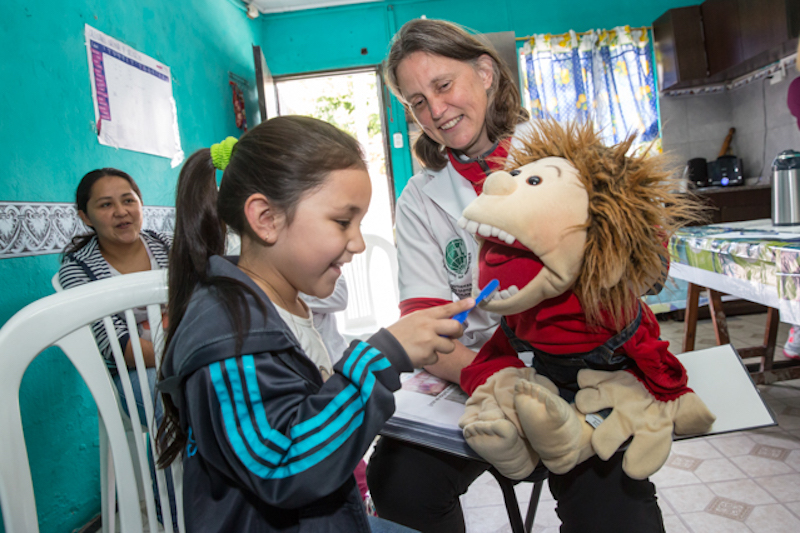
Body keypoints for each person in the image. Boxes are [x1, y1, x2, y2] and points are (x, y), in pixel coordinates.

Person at [367, 18, 666, 533]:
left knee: (613, 511)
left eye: (443, 85)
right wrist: (499, 381)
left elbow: (649, 263)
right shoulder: (421, 198)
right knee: (398, 483)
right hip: (483, 368)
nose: (435, 111)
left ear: (484, 72)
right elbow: (425, 326)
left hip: (580, 362)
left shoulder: (565, 153)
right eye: (416, 101)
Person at [155, 116, 474, 532]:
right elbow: (284, 464)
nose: (358, 243)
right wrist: (381, 358)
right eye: (343, 222)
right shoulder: (228, 337)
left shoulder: (280, 303)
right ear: (265, 219)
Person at [58, 168, 171, 425]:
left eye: (128, 200)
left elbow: (197, 308)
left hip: (185, 356)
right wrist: (183, 351)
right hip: (133, 374)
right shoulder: (78, 270)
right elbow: (119, 348)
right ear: (85, 217)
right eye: (106, 205)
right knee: (169, 398)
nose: (121, 211)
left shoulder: (168, 246)